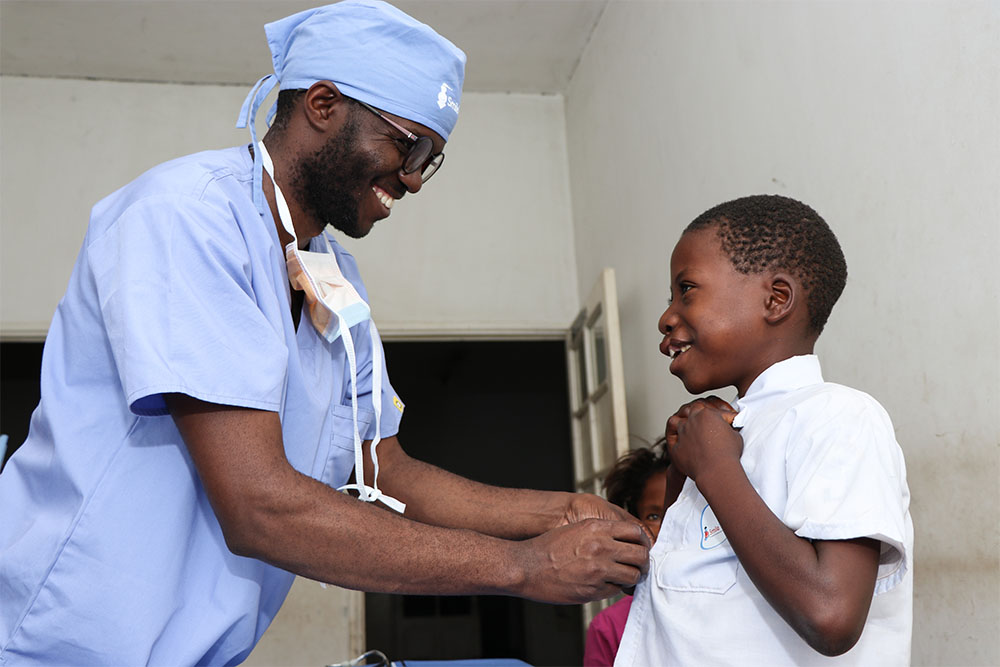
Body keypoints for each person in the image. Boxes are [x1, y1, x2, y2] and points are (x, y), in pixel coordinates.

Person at [0, 2, 649, 664]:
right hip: (53, 644)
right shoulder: (185, 220)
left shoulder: (336, 276)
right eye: (410, 145)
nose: (417, 179)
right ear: (321, 103)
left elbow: (383, 468)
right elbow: (259, 505)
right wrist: (524, 565)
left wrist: (563, 515)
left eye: (434, 158)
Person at [615, 195, 913, 666]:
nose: (666, 317)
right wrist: (683, 474)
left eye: (686, 290)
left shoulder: (839, 417)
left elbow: (831, 614)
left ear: (776, 300)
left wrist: (714, 468)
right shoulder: (723, 431)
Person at [583, 438, 682, 666]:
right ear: (634, 524)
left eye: (681, 509)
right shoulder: (609, 627)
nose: (670, 524)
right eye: (654, 516)